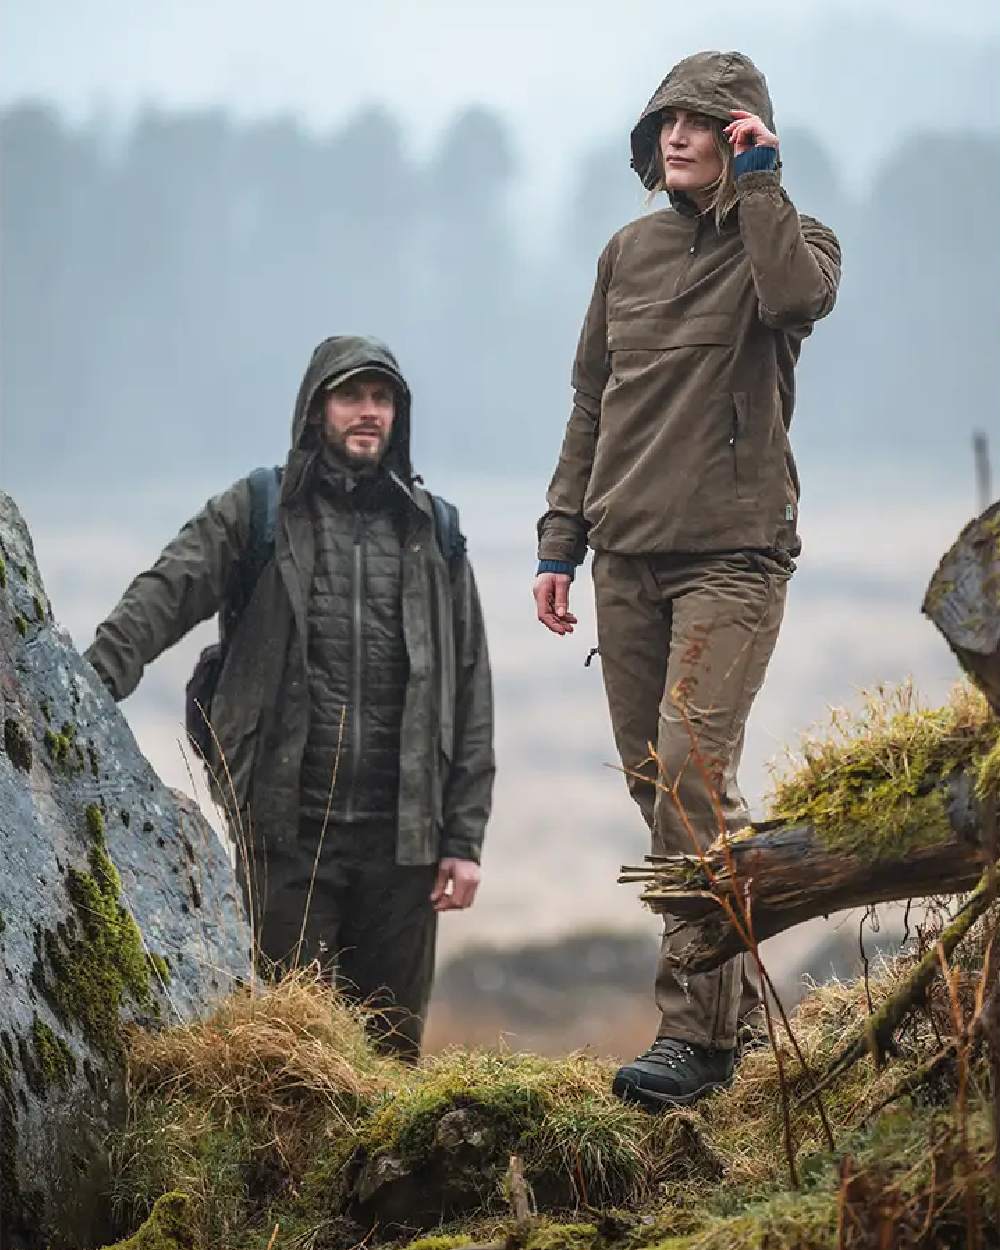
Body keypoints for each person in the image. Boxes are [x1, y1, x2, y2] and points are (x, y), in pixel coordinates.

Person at [533, 51, 841, 1108]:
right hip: (623, 554)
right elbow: (589, 400)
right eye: (664, 118)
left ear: (741, 135)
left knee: (687, 775)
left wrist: (762, 182)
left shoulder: (788, 239)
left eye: (701, 121)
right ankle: (737, 1005)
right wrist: (557, 542)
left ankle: (694, 1040)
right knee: (657, 785)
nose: (675, 134)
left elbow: (797, 298)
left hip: (734, 554)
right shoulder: (626, 251)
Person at [86, 335, 494, 1060]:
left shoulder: (436, 531)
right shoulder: (260, 510)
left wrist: (461, 840)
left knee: (392, 1064)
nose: (368, 413)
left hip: (403, 847)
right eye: (351, 397)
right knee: (288, 1063)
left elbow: (470, 691)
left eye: (382, 398)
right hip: (288, 836)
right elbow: (165, 593)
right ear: (316, 410)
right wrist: (87, 688)